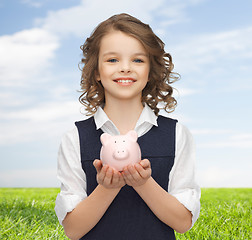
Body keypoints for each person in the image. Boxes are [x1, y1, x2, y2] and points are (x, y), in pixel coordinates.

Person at [55, 13, 200, 240]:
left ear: (150, 71)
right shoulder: (75, 137)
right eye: (112, 60)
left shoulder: (177, 134)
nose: (125, 68)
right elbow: (73, 229)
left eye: (138, 60)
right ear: (96, 71)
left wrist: (143, 184)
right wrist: (107, 188)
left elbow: (183, 222)